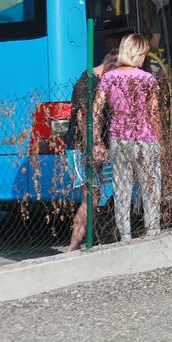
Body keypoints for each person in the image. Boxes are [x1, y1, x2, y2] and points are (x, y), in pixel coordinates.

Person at [94, 33, 164, 241]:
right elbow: (153, 114)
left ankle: (125, 236)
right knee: (150, 189)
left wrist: (98, 139)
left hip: (119, 139)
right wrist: (160, 140)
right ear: (138, 54)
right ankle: (152, 232)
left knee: (122, 190)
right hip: (145, 139)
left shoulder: (109, 77)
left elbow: (96, 109)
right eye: (143, 54)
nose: (144, 58)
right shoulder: (148, 79)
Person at [64, 50, 118, 251]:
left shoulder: (95, 80)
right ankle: (73, 248)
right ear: (110, 68)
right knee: (90, 197)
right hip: (81, 149)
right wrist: (94, 145)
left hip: (94, 148)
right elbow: (82, 118)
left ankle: (91, 243)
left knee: (97, 197)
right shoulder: (87, 84)